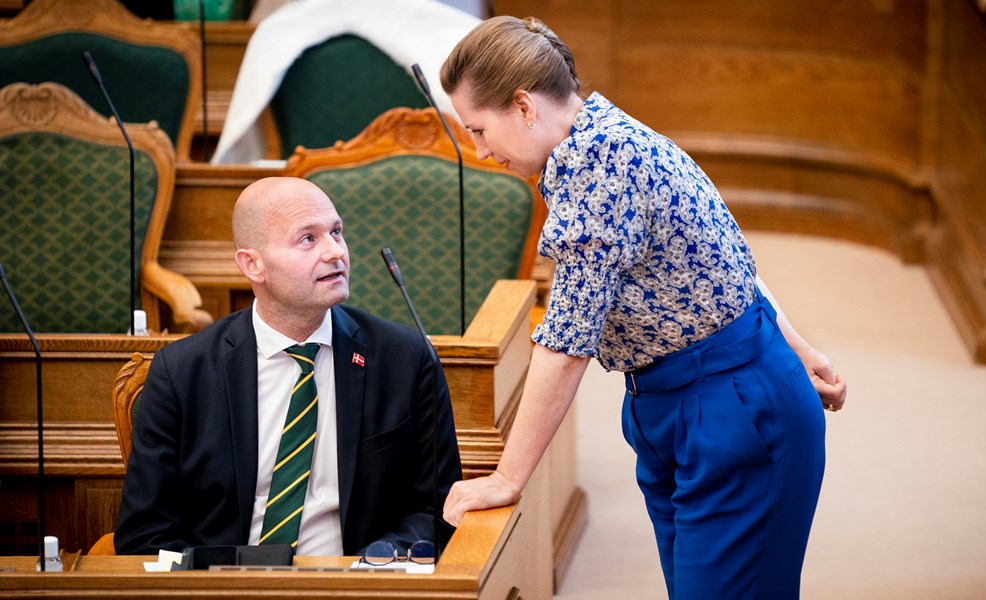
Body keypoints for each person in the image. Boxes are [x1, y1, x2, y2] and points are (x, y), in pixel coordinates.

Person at [438, 16, 847, 599]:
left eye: (479, 130)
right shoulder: (599, 135)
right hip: (682, 404)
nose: (479, 151)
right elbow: (718, 258)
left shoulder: (598, 163)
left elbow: (566, 342)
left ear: (524, 108)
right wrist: (799, 348)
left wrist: (507, 477)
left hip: (734, 412)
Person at [115, 177, 461, 557]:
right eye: (308, 239)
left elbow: (434, 508)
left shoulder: (404, 359)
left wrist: (369, 568)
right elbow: (144, 533)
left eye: (336, 232)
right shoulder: (182, 372)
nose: (335, 252)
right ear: (253, 265)